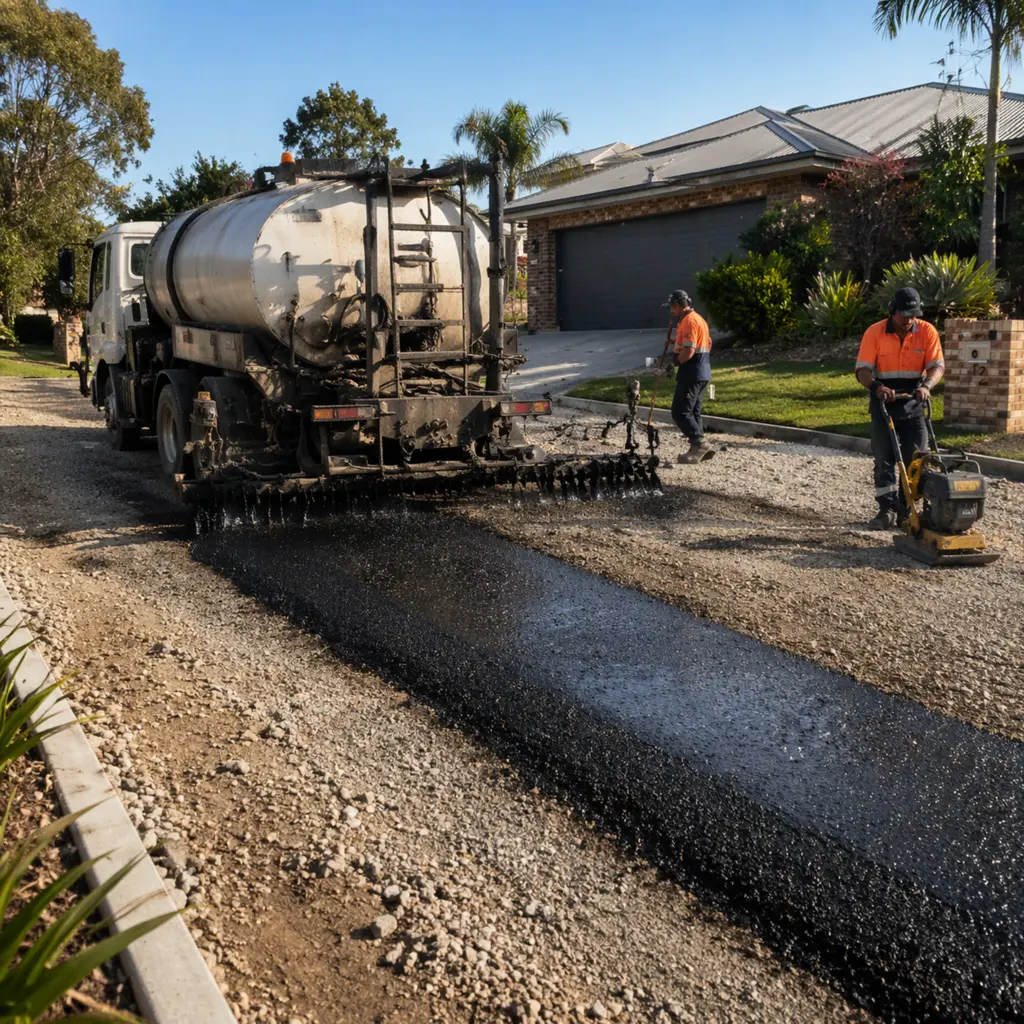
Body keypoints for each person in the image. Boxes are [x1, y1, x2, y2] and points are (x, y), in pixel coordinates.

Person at [854, 287, 945, 530]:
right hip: (883, 400)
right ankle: (887, 509)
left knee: (916, 459)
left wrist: (927, 385)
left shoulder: (927, 331)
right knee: (884, 458)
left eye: (913, 315)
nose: (909, 320)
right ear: (892, 311)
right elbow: (862, 370)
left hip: (915, 400)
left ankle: (907, 510)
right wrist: (876, 387)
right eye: (904, 315)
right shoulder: (875, 332)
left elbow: (937, 366)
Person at [661, 289, 714, 463]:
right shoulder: (699, 319)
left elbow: (689, 350)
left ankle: (699, 443)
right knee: (694, 411)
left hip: (691, 371)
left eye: (672, 308)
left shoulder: (689, 321)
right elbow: (708, 344)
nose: (671, 312)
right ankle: (698, 450)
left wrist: (673, 364)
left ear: (678, 305)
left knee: (680, 410)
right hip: (702, 370)